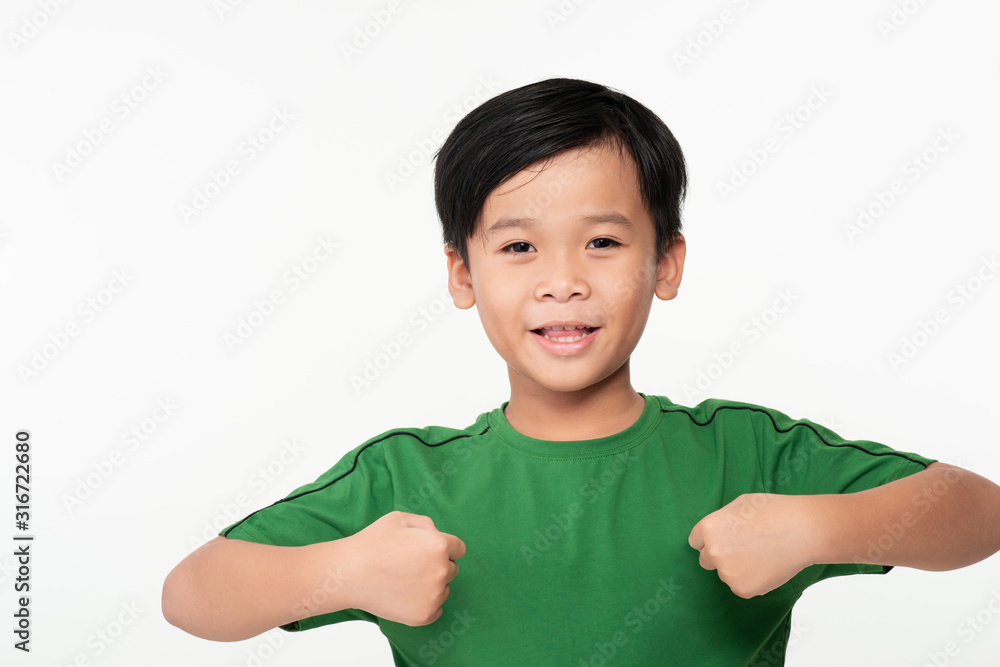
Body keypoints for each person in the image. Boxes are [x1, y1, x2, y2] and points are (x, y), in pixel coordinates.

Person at [162, 78, 1000, 665]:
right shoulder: (407, 480)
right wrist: (336, 571)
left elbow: (978, 513)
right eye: (519, 246)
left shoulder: (748, 458)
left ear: (666, 263)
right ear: (462, 274)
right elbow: (192, 596)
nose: (562, 279)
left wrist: (822, 528)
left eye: (603, 241)